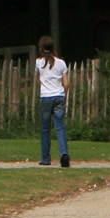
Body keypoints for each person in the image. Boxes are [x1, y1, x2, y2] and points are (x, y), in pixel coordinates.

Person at [34, 35, 69, 167]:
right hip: (59, 96)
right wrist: (63, 95)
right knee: (60, 128)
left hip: (46, 97)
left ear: (41, 49)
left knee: (45, 129)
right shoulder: (61, 63)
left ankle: (46, 158)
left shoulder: (39, 62)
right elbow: (66, 84)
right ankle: (64, 153)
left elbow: (39, 80)